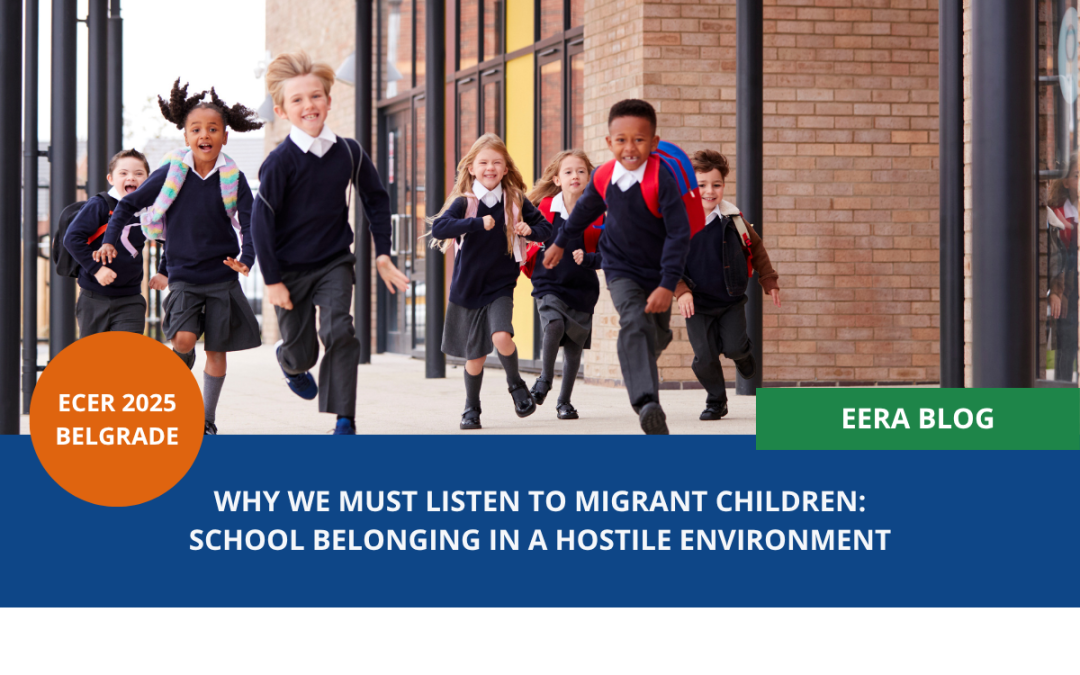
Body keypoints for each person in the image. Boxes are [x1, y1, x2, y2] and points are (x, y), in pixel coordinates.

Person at [253, 51, 408, 435]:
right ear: (282, 110)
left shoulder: (350, 151)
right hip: (287, 270)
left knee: (340, 330)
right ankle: (289, 361)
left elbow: (376, 199)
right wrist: (271, 280)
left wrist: (383, 252)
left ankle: (344, 419)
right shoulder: (279, 162)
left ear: (329, 100)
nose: (309, 105)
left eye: (316, 96)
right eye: (297, 99)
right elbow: (261, 220)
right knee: (302, 350)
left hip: (334, 262)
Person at [98, 80, 263, 435]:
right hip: (184, 275)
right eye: (196, 129)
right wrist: (111, 240)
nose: (205, 135)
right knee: (184, 340)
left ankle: (205, 419)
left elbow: (251, 224)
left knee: (217, 352)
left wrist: (247, 257)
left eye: (213, 129)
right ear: (186, 136)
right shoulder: (172, 172)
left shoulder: (233, 177)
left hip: (221, 277)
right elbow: (128, 204)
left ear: (224, 137)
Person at [542, 99, 690, 435]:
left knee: (657, 333)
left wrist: (668, 284)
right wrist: (560, 241)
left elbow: (679, 235)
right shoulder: (606, 175)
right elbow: (583, 212)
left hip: (658, 271)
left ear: (653, 142)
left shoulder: (661, 179)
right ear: (609, 143)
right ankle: (647, 403)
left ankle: (635, 360)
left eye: (639, 139)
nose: (630, 147)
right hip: (619, 267)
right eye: (621, 139)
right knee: (634, 322)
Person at [431, 133, 553, 430]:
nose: (490, 167)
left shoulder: (515, 199)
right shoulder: (466, 201)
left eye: (497, 162)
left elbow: (545, 228)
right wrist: (475, 224)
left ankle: (516, 386)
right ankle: (471, 408)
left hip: (500, 285)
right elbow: (439, 228)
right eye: (483, 162)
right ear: (471, 167)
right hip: (468, 288)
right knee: (476, 357)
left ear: (506, 168)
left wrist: (528, 230)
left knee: (501, 336)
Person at [676, 150, 779, 420]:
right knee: (704, 358)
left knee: (733, 346)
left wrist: (768, 280)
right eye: (701, 185)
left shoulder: (733, 219)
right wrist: (681, 291)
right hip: (696, 304)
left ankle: (743, 354)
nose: (710, 191)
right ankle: (716, 401)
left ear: (723, 185)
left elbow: (756, 247)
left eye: (716, 184)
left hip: (730, 300)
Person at [526, 149, 601, 420]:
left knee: (574, 347)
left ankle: (564, 402)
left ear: (589, 178)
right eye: (568, 171)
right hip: (549, 282)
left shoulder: (598, 213)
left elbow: (610, 252)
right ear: (557, 179)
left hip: (582, 286)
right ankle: (544, 380)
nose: (575, 176)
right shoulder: (543, 208)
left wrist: (590, 259)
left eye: (581, 171)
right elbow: (525, 238)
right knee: (555, 324)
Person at [64, 149, 152, 337]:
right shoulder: (100, 205)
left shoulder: (149, 210)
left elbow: (170, 238)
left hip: (131, 298)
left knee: (126, 357)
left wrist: (164, 271)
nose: (131, 178)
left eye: (138, 173)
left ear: (148, 179)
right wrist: (96, 269)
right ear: (111, 179)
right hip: (93, 298)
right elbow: (72, 238)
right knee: (95, 361)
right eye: (123, 173)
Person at [1047, 155, 1078, 382]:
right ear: (1066, 182)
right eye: (1077, 175)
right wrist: (1059, 292)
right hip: (1070, 291)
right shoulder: (1057, 215)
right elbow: (1056, 257)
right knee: (1066, 347)